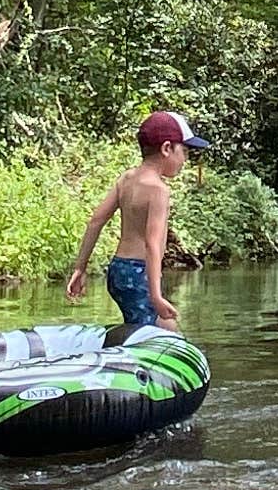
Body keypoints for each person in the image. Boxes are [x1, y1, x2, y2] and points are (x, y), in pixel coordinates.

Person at [64, 112, 206, 338]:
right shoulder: (159, 190)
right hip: (139, 273)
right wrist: (157, 296)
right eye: (185, 152)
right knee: (151, 334)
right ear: (166, 148)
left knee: (165, 327)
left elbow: (96, 220)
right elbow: (152, 244)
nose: (185, 161)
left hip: (118, 270)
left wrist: (80, 268)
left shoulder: (127, 178)